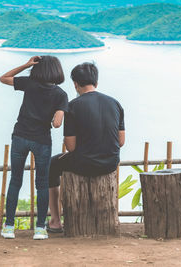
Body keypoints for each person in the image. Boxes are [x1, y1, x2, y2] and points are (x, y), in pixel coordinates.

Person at [47, 62, 125, 233]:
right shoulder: (115, 104)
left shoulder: (73, 106)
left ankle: (55, 221)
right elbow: (120, 141)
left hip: (84, 163)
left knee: (52, 165)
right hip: (110, 162)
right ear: (96, 82)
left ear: (75, 83)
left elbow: (71, 147)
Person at [0, 56, 68, 240]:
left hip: (20, 136)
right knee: (42, 183)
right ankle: (39, 229)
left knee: (15, 180)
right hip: (41, 141)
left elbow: (4, 78)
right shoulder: (61, 94)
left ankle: (8, 227)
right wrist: (55, 114)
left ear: (38, 69)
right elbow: (57, 124)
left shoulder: (29, 83)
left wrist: (26, 65)